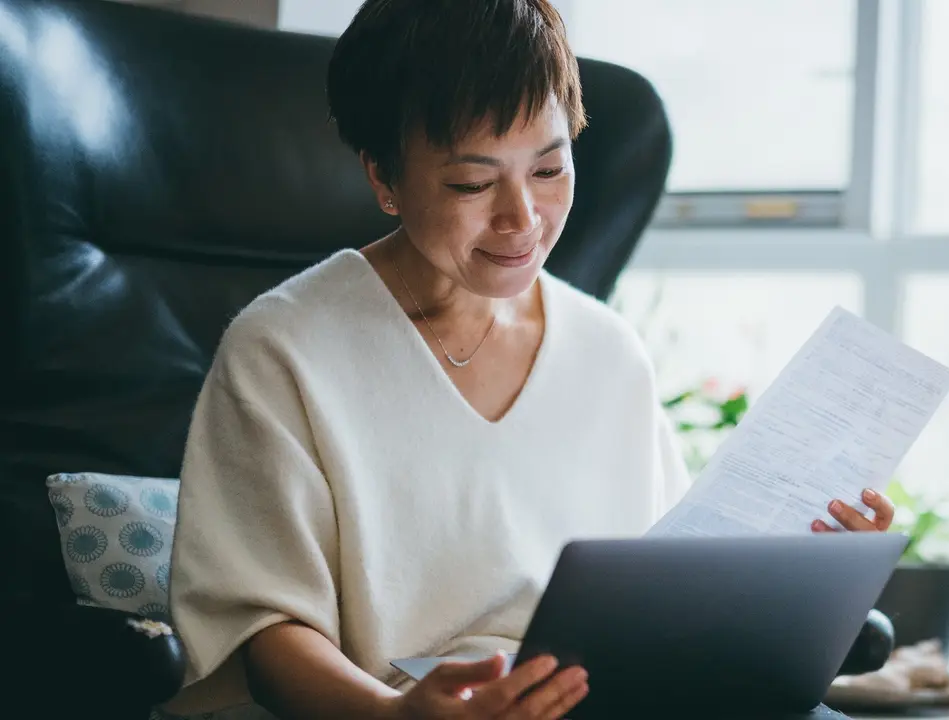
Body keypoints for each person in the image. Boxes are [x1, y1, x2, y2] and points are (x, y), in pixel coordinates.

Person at [165, 1, 897, 718]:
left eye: (549, 169)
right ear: (383, 177)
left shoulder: (608, 352)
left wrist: (811, 572)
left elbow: (667, 596)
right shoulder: (284, 351)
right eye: (472, 184)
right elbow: (262, 630)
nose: (522, 220)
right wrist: (393, 716)